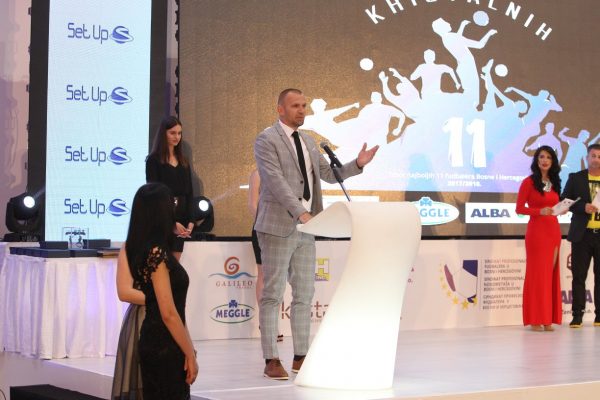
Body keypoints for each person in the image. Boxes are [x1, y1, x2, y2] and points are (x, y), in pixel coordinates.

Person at [253, 88, 378, 380]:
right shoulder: (266, 139)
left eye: (304, 105)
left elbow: (330, 174)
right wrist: (301, 212)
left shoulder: (309, 141)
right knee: (273, 294)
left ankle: (301, 356)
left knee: (305, 294)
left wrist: (358, 164)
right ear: (280, 109)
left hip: (308, 227)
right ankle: (271, 358)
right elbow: (275, 182)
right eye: (295, 105)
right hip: (278, 226)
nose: (301, 110)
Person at [123, 182, 198, 398]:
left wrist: (188, 347)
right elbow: (168, 312)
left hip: (163, 341)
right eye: (170, 204)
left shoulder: (152, 249)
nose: (174, 209)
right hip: (164, 345)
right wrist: (189, 354)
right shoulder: (156, 253)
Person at [515, 146, 563, 332]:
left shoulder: (554, 182)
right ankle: (536, 318)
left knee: (550, 275)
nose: (545, 160)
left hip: (554, 231)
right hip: (537, 233)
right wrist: (539, 211)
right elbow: (519, 208)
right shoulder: (528, 182)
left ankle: (547, 319)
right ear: (536, 160)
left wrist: (561, 209)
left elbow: (554, 205)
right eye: (541, 157)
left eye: (548, 157)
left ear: (553, 161)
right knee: (538, 276)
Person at [562, 143, 600, 328]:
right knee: (579, 277)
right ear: (587, 157)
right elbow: (564, 200)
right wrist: (582, 207)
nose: (596, 159)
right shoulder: (576, 178)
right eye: (593, 156)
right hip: (582, 235)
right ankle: (577, 315)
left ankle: (599, 316)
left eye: (599, 156)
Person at [146, 116, 194, 261]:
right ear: (164, 133)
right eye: (172, 133)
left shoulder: (184, 161)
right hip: (162, 220)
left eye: (179, 133)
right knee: (161, 264)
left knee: (175, 265)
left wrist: (191, 221)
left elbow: (189, 193)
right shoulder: (153, 160)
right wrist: (172, 223)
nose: (177, 137)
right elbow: (154, 196)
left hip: (181, 220)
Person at [248, 169, 283, 342]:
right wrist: (265, 223)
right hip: (262, 229)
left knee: (277, 277)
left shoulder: (283, 173)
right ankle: (266, 323)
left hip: (282, 230)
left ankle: (273, 322)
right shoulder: (258, 174)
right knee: (263, 274)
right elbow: (252, 204)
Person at [111, 246, 146, 399]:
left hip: (170, 321)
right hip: (144, 320)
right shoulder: (130, 248)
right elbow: (124, 292)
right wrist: (164, 300)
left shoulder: (168, 245)